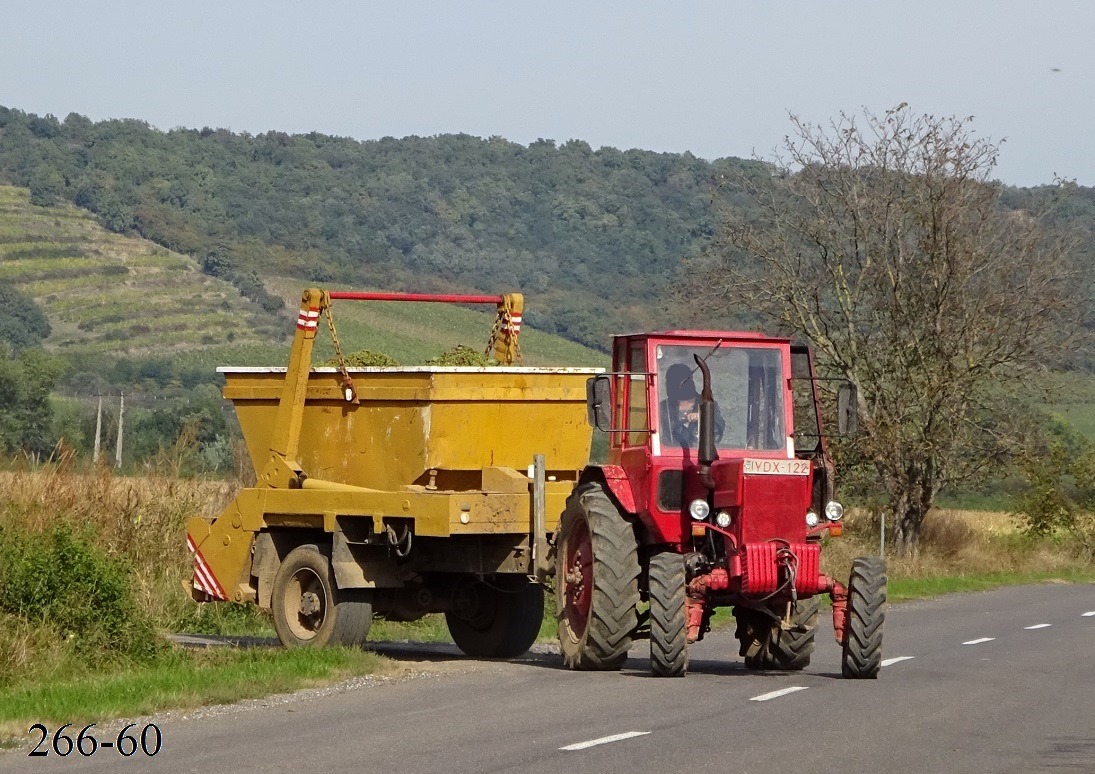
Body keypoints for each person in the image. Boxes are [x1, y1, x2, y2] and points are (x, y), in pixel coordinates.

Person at [664, 362, 724, 448]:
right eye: (670, 381)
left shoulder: (707, 404)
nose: (670, 385)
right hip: (671, 453)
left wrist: (703, 418)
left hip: (700, 453)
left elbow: (719, 426)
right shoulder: (663, 407)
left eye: (679, 380)